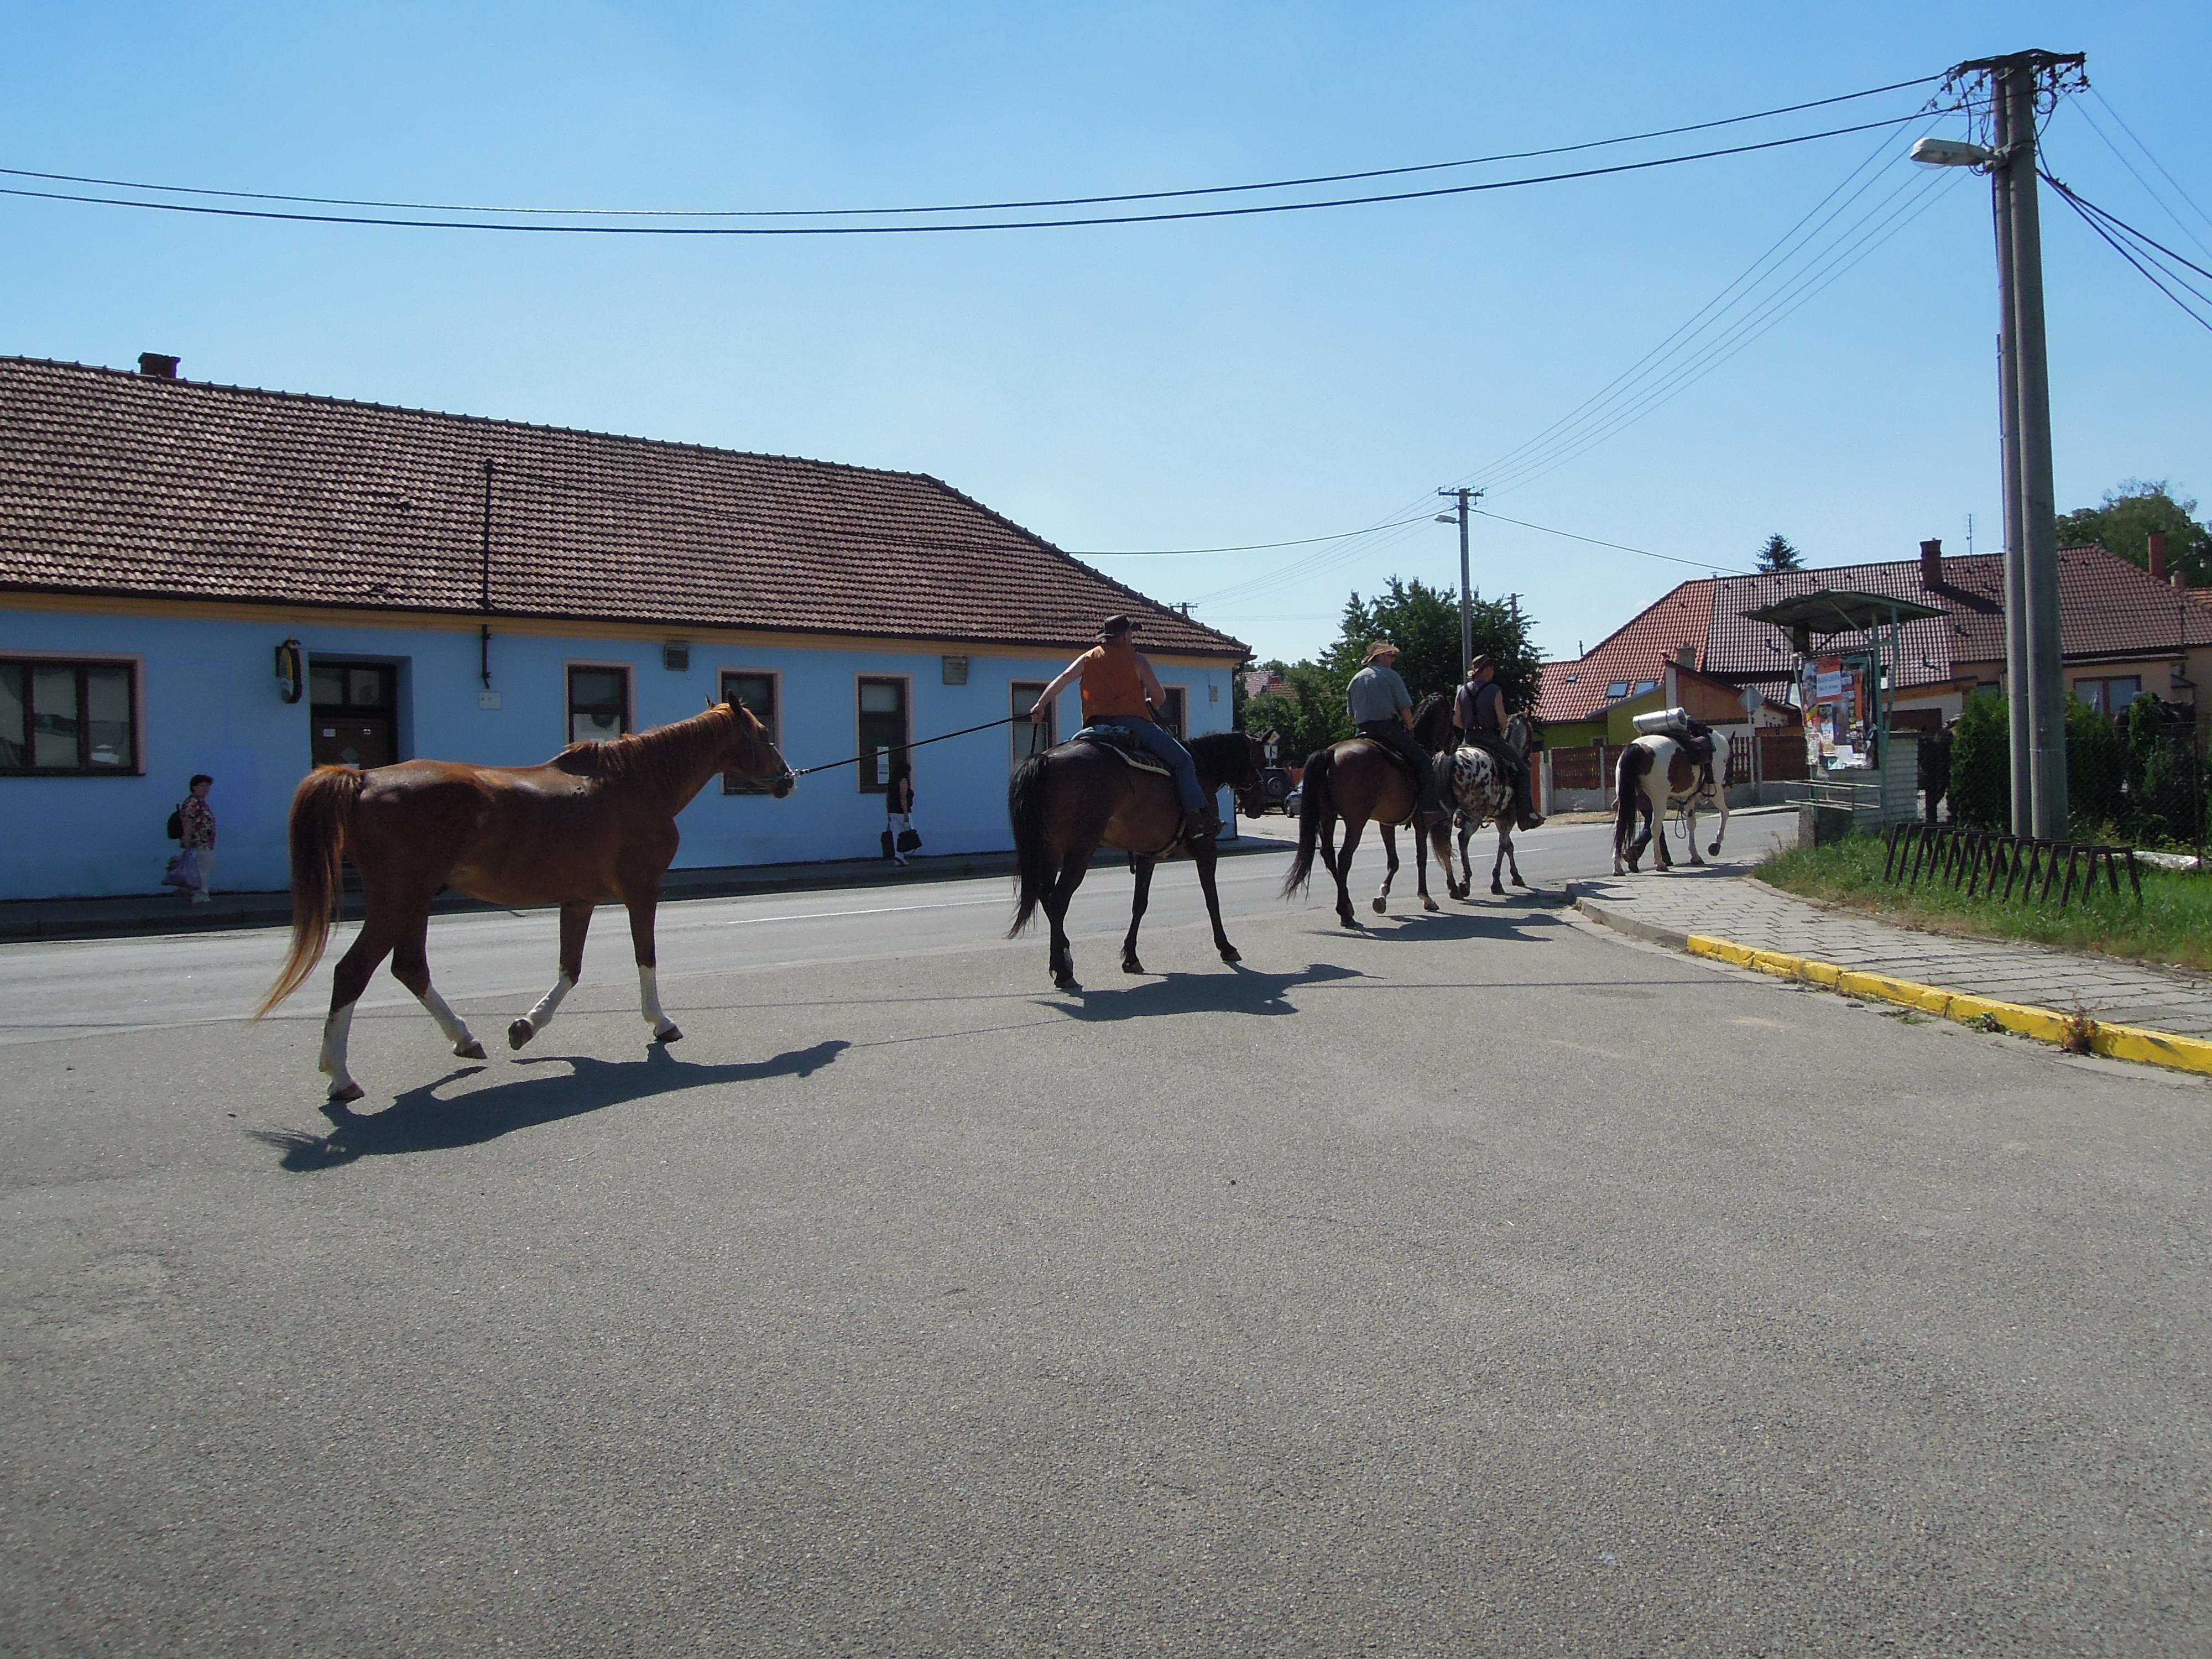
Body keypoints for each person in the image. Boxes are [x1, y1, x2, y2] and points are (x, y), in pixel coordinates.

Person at [1030, 614, 1219, 841]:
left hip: (1094, 726)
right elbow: (1159, 696)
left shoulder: (1088, 658)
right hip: (1134, 723)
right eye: (1130, 633)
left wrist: (1040, 705)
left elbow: (1063, 678)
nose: (1132, 637)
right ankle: (1195, 818)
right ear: (1125, 636)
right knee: (1183, 761)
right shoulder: (1137, 660)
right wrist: (1149, 704)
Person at [1347, 641, 1444, 824]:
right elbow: (1405, 709)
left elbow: (1352, 715)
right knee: (1424, 762)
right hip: (1388, 730)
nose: (1393, 660)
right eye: (1391, 656)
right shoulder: (1391, 676)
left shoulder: (1356, 679)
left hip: (1362, 732)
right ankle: (1429, 808)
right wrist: (1410, 727)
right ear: (1382, 657)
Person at [1454, 656, 1545, 831]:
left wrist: (1470, 728)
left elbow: (1457, 721)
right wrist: (1497, 727)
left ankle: (1459, 812)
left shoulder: (1462, 691)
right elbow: (1503, 720)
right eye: (1492, 668)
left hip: (1468, 741)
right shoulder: (1494, 690)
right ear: (1486, 670)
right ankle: (1525, 815)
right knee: (1523, 771)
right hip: (1490, 739)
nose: (1493, 672)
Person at [179, 773, 217, 902]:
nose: (206, 789)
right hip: (198, 842)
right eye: (202, 786)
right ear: (194, 787)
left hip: (205, 842)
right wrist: (187, 839)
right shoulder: (193, 802)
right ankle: (200, 896)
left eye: (208, 786)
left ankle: (200, 894)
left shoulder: (200, 802)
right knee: (202, 869)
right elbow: (187, 821)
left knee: (205, 868)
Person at [884, 749, 917, 865]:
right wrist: (906, 814)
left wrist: (888, 812)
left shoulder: (892, 781)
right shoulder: (903, 781)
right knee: (910, 834)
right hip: (902, 812)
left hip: (893, 812)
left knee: (896, 835)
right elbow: (903, 797)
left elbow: (888, 797)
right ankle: (903, 854)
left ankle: (898, 858)